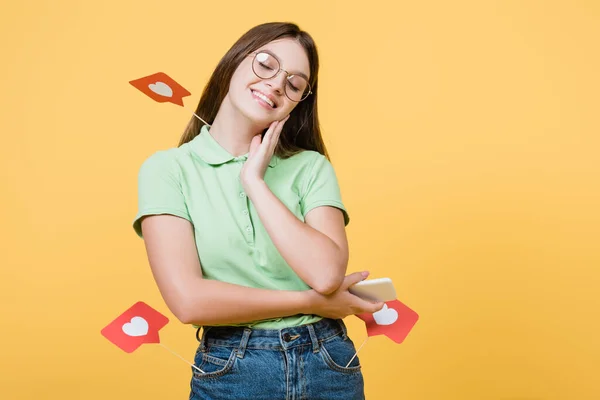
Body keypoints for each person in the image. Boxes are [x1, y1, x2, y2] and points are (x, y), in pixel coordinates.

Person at [132, 21, 385, 400]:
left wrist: (255, 182)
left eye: (294, 84)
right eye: (265, 64)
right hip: (232, 366)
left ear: (299, 101)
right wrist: (309, 302)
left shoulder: (310, 167)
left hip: (328, 362)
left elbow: (327, 275)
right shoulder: (168, 170)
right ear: (233, 62)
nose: (276, 84)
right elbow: (188, 301)